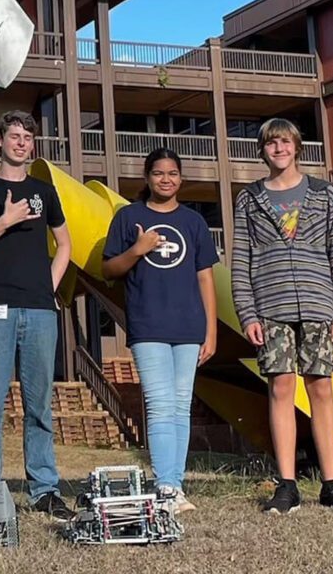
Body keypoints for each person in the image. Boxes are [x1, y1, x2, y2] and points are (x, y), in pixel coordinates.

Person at [232, 118, 333, 514]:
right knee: (280, 387)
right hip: (270, 308)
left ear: (297, 147)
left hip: (318, 305)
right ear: (262, 150)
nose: (279, 149)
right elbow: (241, 261)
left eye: (285, 142)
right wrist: (247, 313)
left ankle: (332, 484)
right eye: (271, 143)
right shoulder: (249, 199)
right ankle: (287, 484)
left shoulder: (324, 195)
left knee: (321, 387)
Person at [0, 110, 73, 519]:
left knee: (39, 406)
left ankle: (44, 489)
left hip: (40, 310)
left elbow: (65, 245)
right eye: (14, 136)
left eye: (27, 137)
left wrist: (49, 285)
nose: (21, 143)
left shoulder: (45, 190)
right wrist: (5, 221)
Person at [102, 148, 218, 512]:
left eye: (172, 173)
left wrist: (211, 331)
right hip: (148, 324)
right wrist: (138, 249)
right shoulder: (129, 216)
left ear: (180, 178)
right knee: (160, 403)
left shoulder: (193, 222)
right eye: (158, 173)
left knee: (181, 405)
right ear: (147, 177)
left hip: (189, 326)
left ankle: (174, 486)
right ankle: (165, 486)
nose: (165, 179)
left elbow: (206, 278)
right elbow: (109, 270)